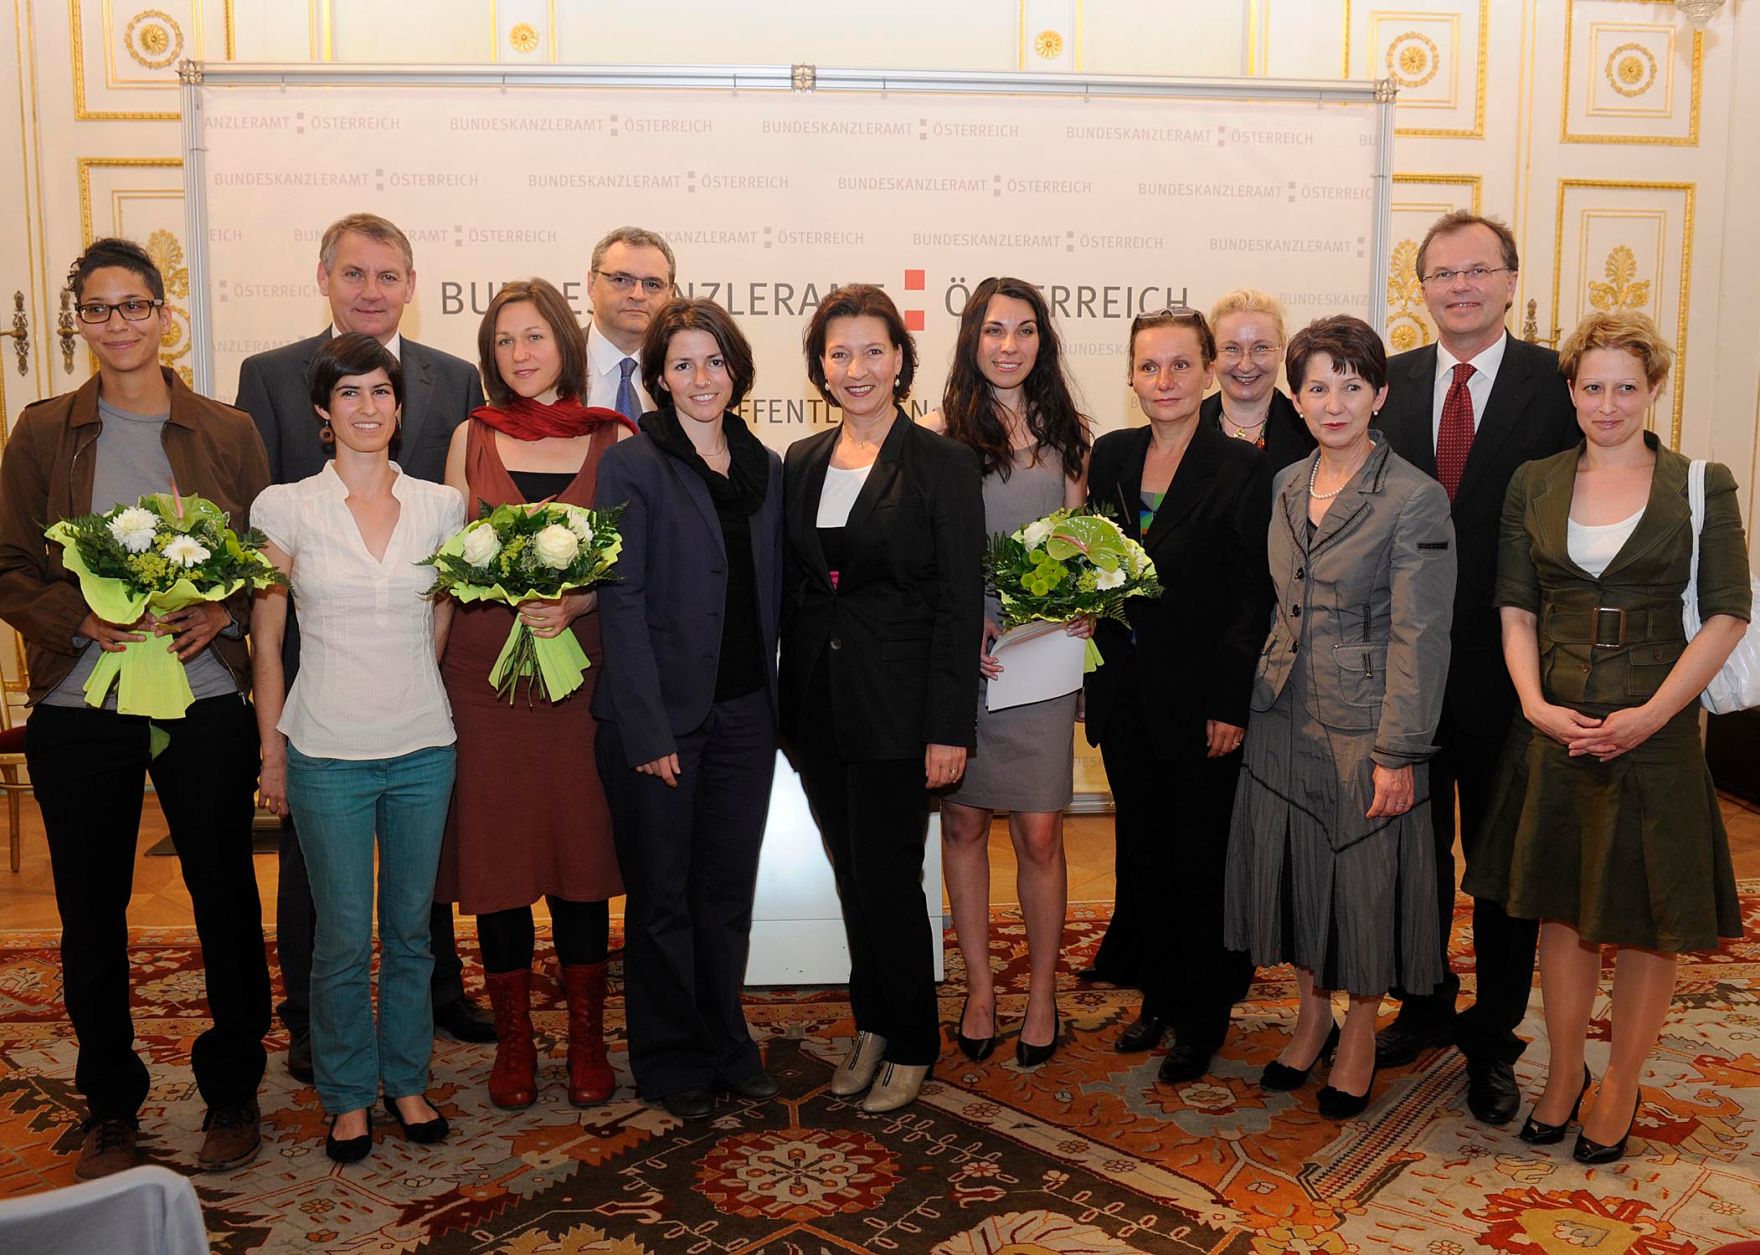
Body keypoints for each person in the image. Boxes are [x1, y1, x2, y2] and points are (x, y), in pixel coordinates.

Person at [0, 238, 272, 1179]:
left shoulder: (226, 431)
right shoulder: (41, 431)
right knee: (91, 909)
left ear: (166, 314)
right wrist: (77, 619)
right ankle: (111, 1101)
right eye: (99, 308)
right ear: (80, 320)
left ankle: (233, 1087)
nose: (118, 322)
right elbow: (7, 565)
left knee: (226, 899)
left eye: (135, 305)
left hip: (201, 700)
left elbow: (258, 557)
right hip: (80, 704)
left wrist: (222, 608)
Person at [1464, 311, 1748, 1162]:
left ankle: (1620, 1077)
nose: (1609, 403)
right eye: (1593, 386)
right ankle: (1561, 1072)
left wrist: (1655, 715)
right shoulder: (1535, 481)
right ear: (1572, 392)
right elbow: (1514, 608)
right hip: (1554, 722)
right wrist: (1535, 705)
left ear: (1655, 388)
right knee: (1560, 906)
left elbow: (1728, 611)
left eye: (1628, 386)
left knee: (1648, 913)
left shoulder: (1703, 482)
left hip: (1653, 725)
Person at [235, 212, 494, 1079]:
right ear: (324, 279)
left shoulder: (456, 379)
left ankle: (433, 1005)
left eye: (389, 275)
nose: (372, 290)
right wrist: (271, 732)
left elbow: (455, 553)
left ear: (411, 287)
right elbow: (262, 522)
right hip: (318, 655)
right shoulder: (267, 376)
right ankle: (314, 1019)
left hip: (413, 673)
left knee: (421, 883)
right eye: (355, 274)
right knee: (326, 887)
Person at [1223, 314, 1456, 1119]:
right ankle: (1310, 1013)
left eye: (1350, 385)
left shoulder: (1415, 499)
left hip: (1367, 723)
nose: (1333, 401)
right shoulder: (1286, 483)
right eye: (1317, 385)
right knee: (1295, 874)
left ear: (1379, 394)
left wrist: (1400, 750)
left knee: (1363, 882)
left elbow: (1420, 638)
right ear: (1295, 395)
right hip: (1282, 712)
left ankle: (1359, 1025)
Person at [1374, 211, 1579, 1125]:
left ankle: (1493, 1036)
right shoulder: (1393, 381)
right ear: (1421, 290)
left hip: (1513, 674)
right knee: (1411, 859)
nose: (1459, 287)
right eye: (1442, 274)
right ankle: (1423, 1002)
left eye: (1477, 271)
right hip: (1405, 671)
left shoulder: (1557, 383)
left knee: (1498, 871)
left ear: (1510, 281)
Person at [250, 333, 465, 1163]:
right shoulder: (285, 507)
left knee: (411, 931)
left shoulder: (443, 508)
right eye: (350, 394)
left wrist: (417, 680)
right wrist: (272, 751)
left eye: (381, 391)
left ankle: (405, 1081)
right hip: (326, 751)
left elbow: (440, 613)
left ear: (399, 405)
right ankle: (346, 1094)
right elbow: (268, 642)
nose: (368, 407)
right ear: (322, 413)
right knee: (341, 933)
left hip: (422, 747)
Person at [781, 284, 984, 1113]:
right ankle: (872, 1021)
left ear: (901, 360)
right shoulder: (799, 459)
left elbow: (959, 601)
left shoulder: (942, 462)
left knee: (891, 879)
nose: (856, 368)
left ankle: (913, 1040)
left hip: (901, 713)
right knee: (850, 876)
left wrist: (948, 726)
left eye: (872, 350)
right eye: (839, 353)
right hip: (819, 708)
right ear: (820, 369)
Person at [439, 278, 632, 1111]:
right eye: (505, 341)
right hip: (483, 688)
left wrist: (579, 599)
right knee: (499, 862)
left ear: (566, 343)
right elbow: (446, 569)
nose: (521, 353)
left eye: (535, 337)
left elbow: (632, 562)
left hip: (580, 683)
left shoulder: (614, 437)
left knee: (583, 860)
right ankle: (516, 1042)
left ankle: (587, 1038)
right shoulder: (469, 436)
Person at [592, 298, 784, 1120]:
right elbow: (620, 600)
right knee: (662, 896)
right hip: (663, 720)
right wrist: (646, 725)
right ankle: (670, 1060)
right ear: (658, 377)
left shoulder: (765, 465)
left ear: (735, 371)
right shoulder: (632, 464)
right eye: (682, 364)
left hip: (747, 713)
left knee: (726, 892)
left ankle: (726, 1040)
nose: (700, 379)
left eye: (714, 362)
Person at [1086, 308, 1272, 1081]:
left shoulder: (1241, 465)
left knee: (1203, 859)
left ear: (1206, 373)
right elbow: (1094, 566)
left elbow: (1251, 597)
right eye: (1148, 366)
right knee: (1144, 854)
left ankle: (1203, 1014)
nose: (1164, 381)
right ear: (1131, 376)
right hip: (1124, 696)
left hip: (1202, 706)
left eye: (1179, 365)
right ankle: (1156, 997)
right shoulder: (1110, 456)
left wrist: (1230, 703)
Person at [924, 277, 1090, 1069]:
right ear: (972, 340)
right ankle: (980, 989)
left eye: (1025, 330)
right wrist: (968, 625)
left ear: (1042, 341)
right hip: (966, 656)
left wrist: (1082, 601)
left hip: (1041, 657)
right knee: (961, 822)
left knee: (1039, 831)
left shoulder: (1072, 437)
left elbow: (1080, 549)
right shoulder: (936, 434)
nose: (1009, 345)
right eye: (994, 330)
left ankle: (1043, 996)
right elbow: (927, 561)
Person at [1199, 289, 1315, 472]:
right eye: (1231, 348)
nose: (1245, 365)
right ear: (1212, 354)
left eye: (1261, 348)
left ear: (1282, 349)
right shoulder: (1185, 428)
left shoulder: (1312, 432)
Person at [584, 226, 675, 423]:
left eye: (652, 284)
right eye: (621, 279)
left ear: (670, 295)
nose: (637, 295)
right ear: (592, 285)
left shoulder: (685, 370)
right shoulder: (555, 362)